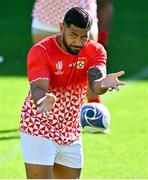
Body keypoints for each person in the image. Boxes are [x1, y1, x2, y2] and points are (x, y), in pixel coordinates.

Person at [20, 7, 125, 179]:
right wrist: (42, 101)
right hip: (39, 125)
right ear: (62, 27)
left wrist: (103, 84)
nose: (78, 42)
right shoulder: (41, 51)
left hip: (70, 130)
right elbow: (38, 87)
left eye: (84, 36)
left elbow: (95, 83)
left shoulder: (95, 50)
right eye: (73, 35)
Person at [31, 0, 102, 103]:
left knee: (88, 73)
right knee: (47, 76)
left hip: (82, 16)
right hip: (47, 15)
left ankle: (95, 114)